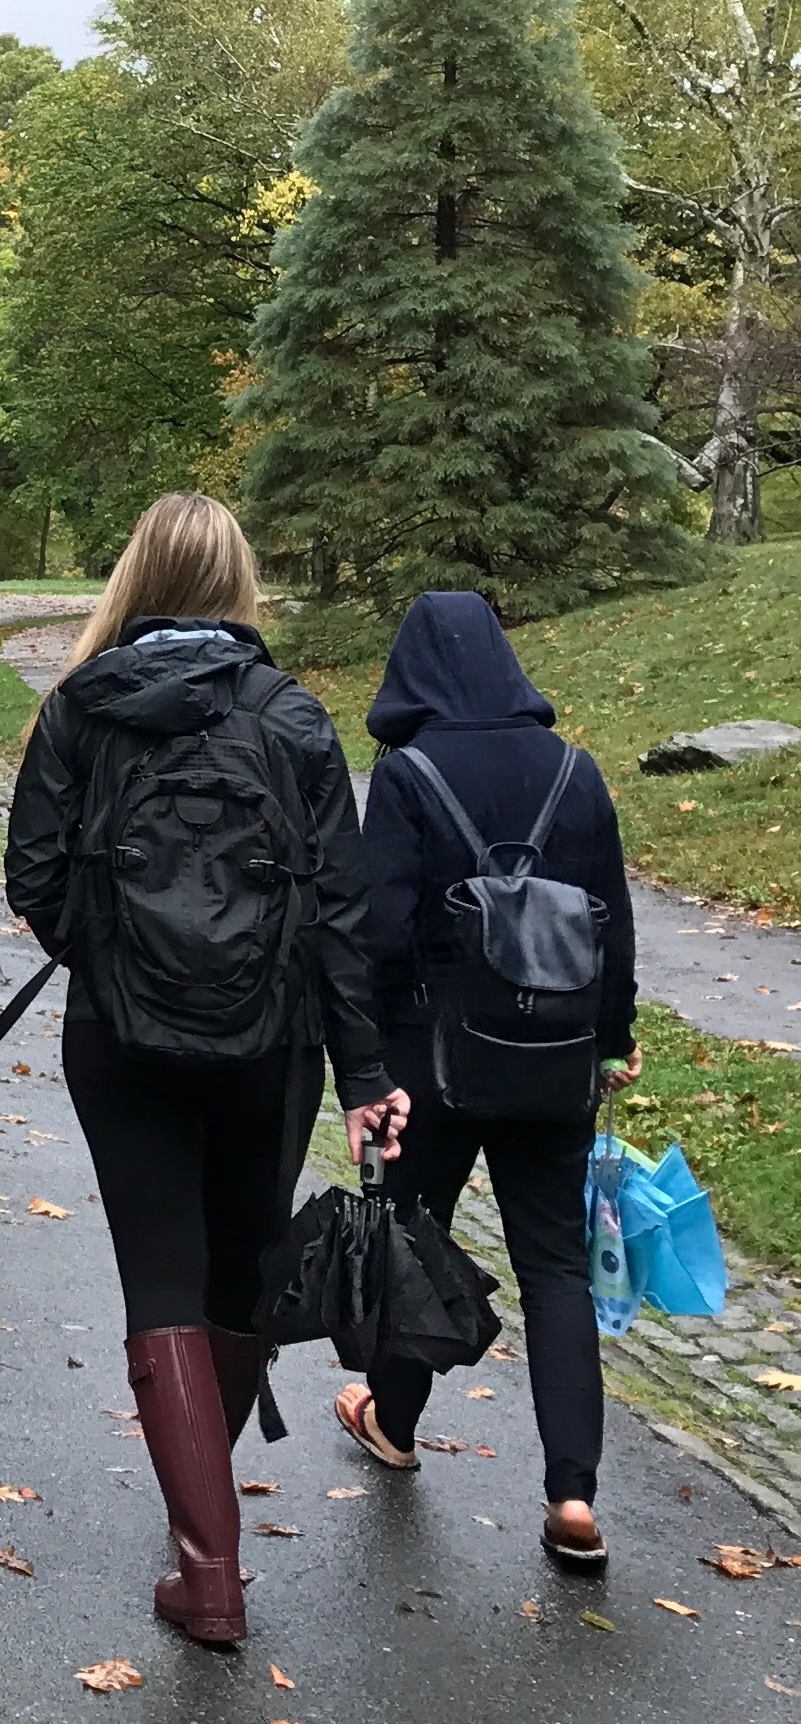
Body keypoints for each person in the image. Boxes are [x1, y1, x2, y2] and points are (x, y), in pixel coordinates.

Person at [5, 492, 407, 1648]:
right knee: (239, 1276)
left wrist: (112, 948)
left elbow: (30, 874)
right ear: (238, 579)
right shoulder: (291, 715)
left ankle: (209, 1562)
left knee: (159, 1280)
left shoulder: (82, 708)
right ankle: (205, 1513)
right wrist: (366, 1067)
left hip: (122, 1041)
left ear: (133, 576)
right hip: (269, 1041)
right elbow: (343, 910)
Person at [334, 589, 638, 1569]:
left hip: (435, 1055)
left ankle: (393, 1419)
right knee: (555, 1267)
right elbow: (612, 923)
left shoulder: (410, 774)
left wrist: (370, 1060)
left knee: (415, 1244)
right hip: (554, 1060)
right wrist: (610, 1038)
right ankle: (574, 1494)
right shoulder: (577, 772)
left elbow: (378, 929)